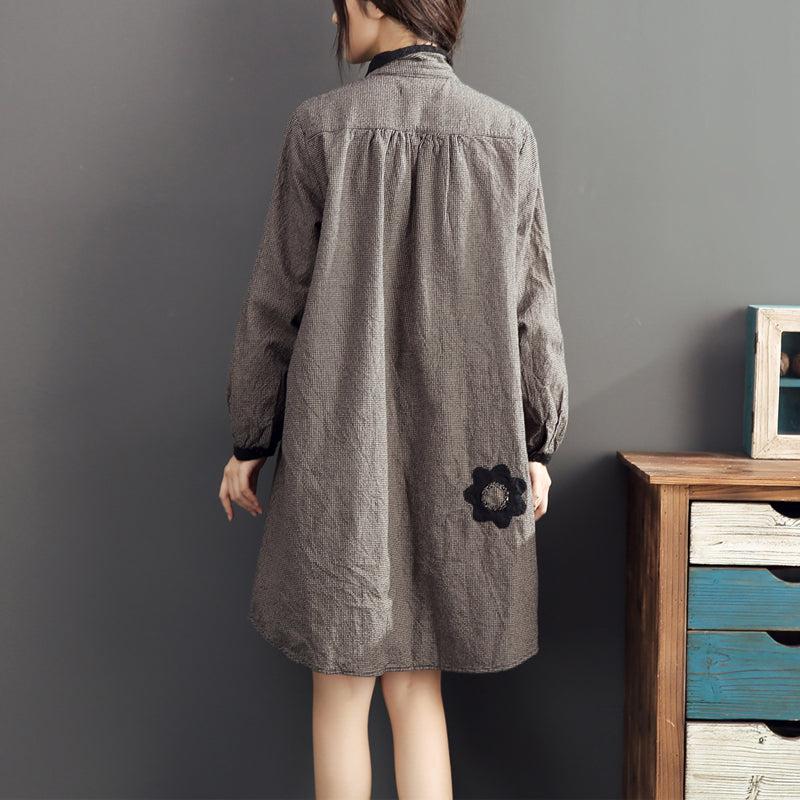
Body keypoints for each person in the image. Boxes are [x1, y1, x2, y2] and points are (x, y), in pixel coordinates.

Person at [218, 0, 568, 797]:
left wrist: (250, 439)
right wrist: (537, 444)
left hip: (339, 444)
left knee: (341, 692)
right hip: (466, 452)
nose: (332, 18)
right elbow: (533, 309)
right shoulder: (505, 135)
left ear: (378, 3)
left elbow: (275, 301)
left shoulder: (319, 127)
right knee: (418, 687)